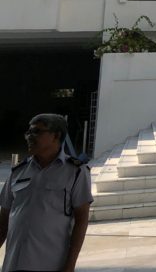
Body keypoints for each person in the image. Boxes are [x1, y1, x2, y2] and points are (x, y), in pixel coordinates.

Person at [0, 114, 92, 272]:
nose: (29, 136)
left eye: (36, 132)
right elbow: (3, 220)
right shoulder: (18, 172)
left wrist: (69, 266)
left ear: (56, 135)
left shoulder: (76, 172)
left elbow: (81, 220)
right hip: (14, 263)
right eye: (28, 132)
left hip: (50, 263)